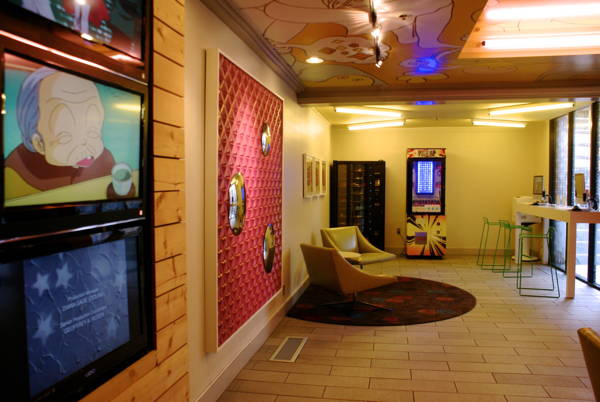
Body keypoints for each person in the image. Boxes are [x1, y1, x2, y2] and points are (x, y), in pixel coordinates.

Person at [5, 67, 115, 200]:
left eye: (93, 133)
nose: (84, 143)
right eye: (65, 137)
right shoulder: (16, 174)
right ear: (39, 143)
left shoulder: (104, 160)